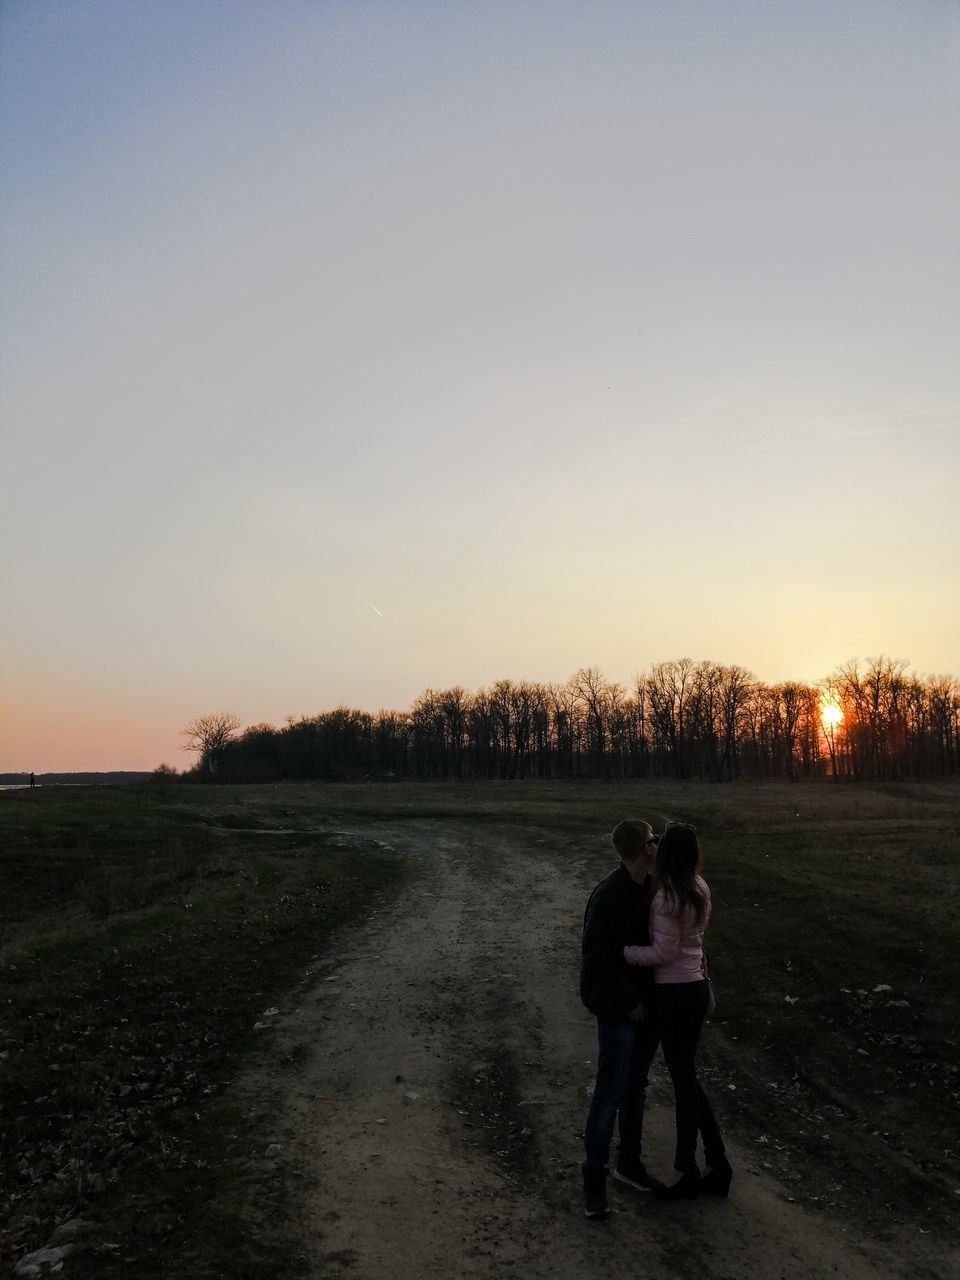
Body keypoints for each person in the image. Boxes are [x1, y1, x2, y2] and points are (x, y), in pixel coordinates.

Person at [623, 822, 731, 1200]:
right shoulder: (699, 887)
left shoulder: (666, 897)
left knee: (684, 1082)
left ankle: (686, 1169)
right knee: (687, 1076)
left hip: (674, 994)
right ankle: (718, 1164)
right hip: (696, 989)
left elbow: (665, 954)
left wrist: (628, 953)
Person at [579, 819, 661, 1218]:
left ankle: (629, 1164)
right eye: (654, 841)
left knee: (636, 1089)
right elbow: (596, 959)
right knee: (609, 1093)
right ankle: (593, 1179)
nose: (657, 847)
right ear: (644, 848)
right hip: (619, 1011)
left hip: (648, 1009)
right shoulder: (609, 895)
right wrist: (628, 1000)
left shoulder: (652, 889)